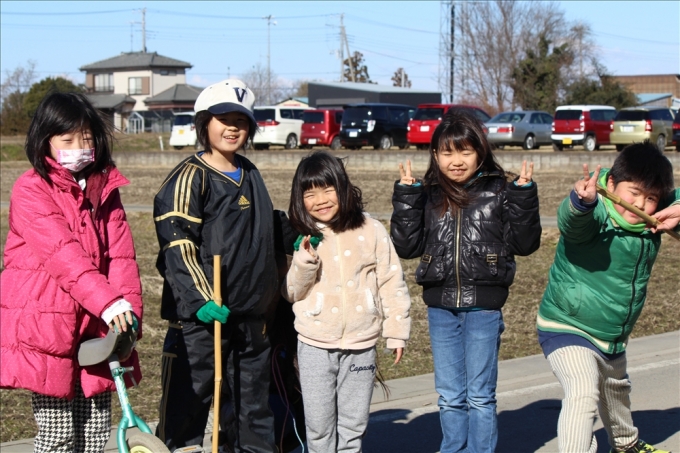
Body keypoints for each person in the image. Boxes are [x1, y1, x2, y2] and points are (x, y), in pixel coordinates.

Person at [390, 109, 541, 453]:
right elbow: (407, 247)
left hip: (484, 308)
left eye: (465, 152)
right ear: (435, 154)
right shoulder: (427, 193)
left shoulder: (501, 190)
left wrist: (523, 198)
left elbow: (525, 244)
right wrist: (407, 199)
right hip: (440, 308)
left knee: (480, 396)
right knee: (449, 396)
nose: (456, 161)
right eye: (447, 152)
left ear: (480, 152)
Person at [0, 92, 143, 453]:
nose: (80, 148)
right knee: (58, 434)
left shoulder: (104, 189)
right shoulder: (31, 189)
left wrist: (130, 316)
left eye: (87, 138)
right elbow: (65, 257)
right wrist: (109, 303)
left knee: (95, 432)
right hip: (47, 322)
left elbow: (121, 257)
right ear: (44, 140)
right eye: (67, 139)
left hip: (96, 324)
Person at [154, 79, 279, 452]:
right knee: (187, 409)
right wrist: (201, 300)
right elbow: (177, 244)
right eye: (223, 119)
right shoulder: (190, 177)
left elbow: (264, 224)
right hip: (202, 321)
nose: (233, 128)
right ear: (204, 123)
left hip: (250, 319)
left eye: (241, 121)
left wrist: (297, 234)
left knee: (252, 412)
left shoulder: (249, 172)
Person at [537, 142, 680, 453]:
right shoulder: (596, 211)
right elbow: (572, 223)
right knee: (583, 392)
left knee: (616, 391)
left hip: (613, 333)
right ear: (612, 184)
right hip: (568, 324)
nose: (639, 204)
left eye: (651, 198)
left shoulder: (653, 221)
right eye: (634, 193)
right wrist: (581, 204)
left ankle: (626, 445)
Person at [282, 151, 411, 453]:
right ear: (300, 199)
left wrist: (396, 331)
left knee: (354, 422)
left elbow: (391, 281)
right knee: (319, 425)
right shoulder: (304, 237)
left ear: (343, 188)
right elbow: (291, 293)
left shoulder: (371, 229)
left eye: (328, 190)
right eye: (310, 194)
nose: (321, 201)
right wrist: (303, 263)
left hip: (361, 344)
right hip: (314, 345)